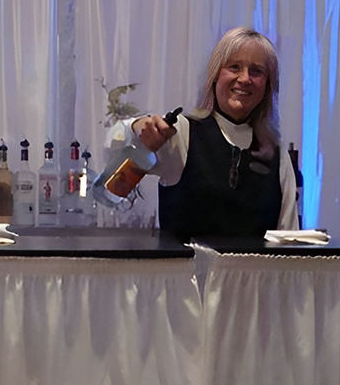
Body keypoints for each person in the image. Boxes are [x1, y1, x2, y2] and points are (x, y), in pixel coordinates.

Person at [112, 27, 299, 239]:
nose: (245, 78)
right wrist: (137, 126)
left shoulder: (276, 154)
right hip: (187, 262)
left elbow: (289, 239)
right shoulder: (182, 132)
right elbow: (113, 149)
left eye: (256, 71)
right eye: (234, 67)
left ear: (267, 86)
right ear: (215, 75)